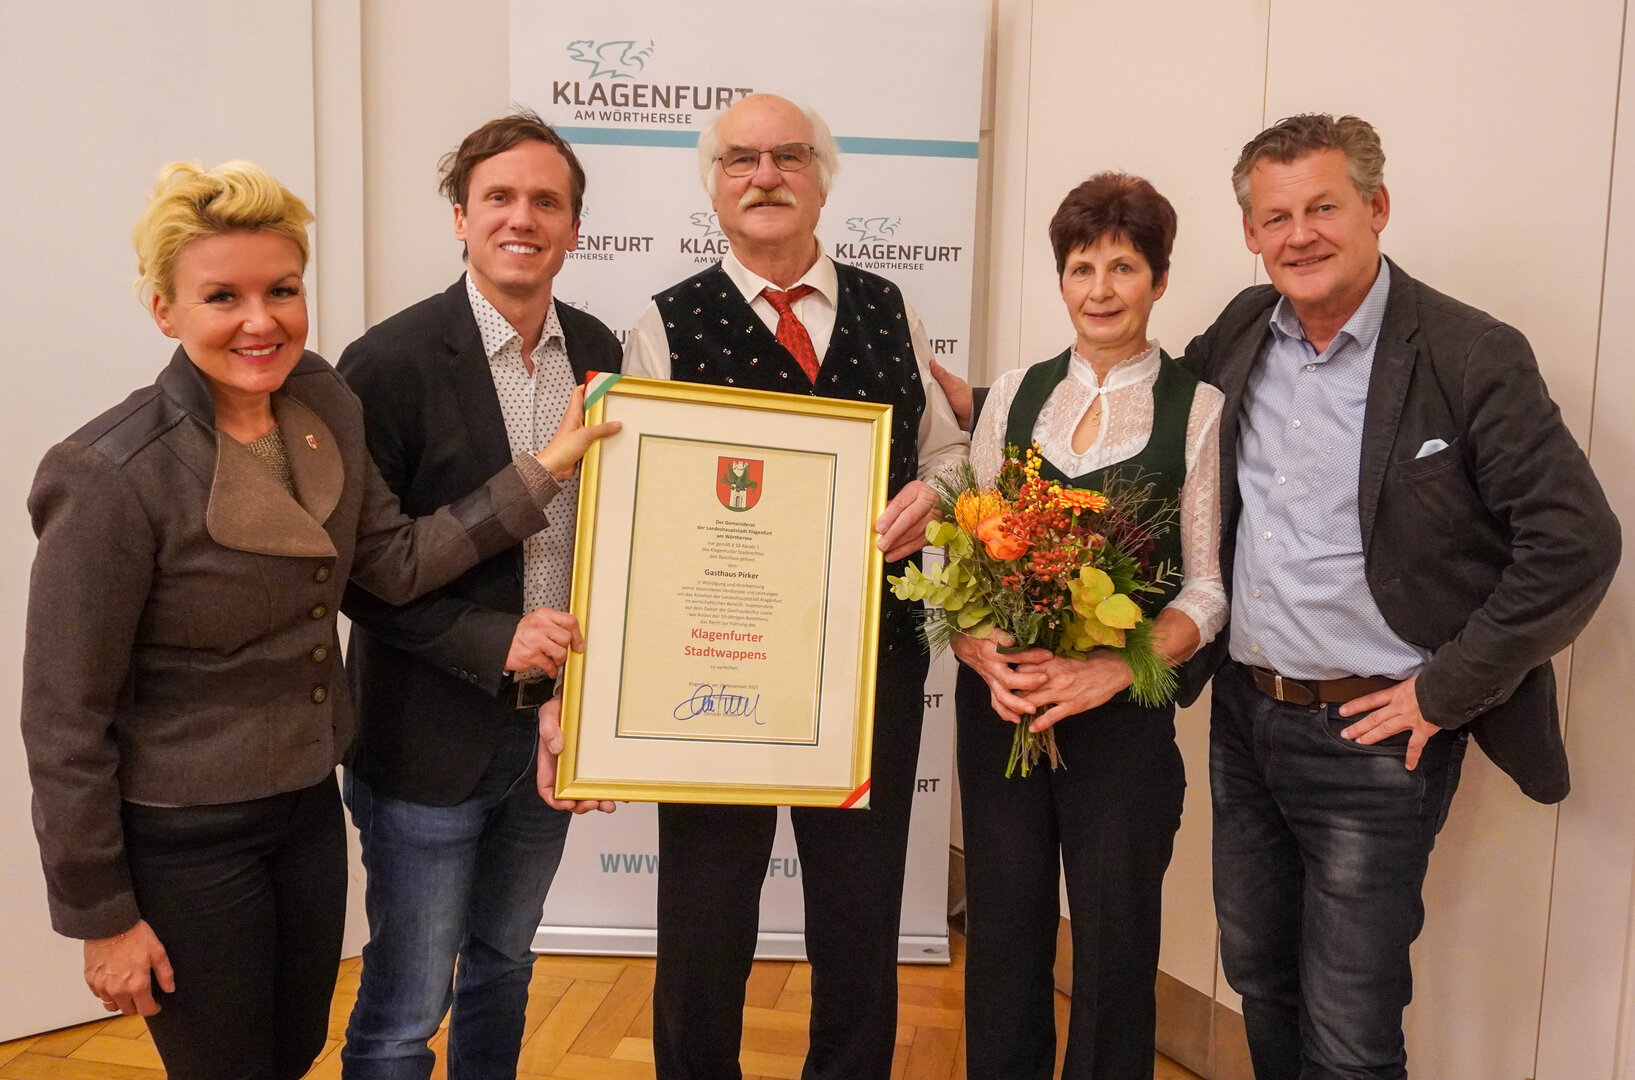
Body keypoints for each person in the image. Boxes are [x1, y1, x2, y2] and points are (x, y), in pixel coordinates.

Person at [20, 160, 614, 1080]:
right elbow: (63, 720)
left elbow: (395, 563)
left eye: (282, 290)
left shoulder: (325, 402)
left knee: (294, 1048)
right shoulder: (107, 472)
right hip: (182, 829)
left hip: (301, 804)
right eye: (223, 295)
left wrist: (545, 469)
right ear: (165, 311)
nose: (261, 321)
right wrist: (100, 917)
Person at [1182, 114, 1619, 1079]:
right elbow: (1148, 432)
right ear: (1250, 235)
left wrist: (1440, 691)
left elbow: (1576, 543)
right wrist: (993, 412)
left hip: (1372, 743)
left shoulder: (1468, 353)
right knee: (1259, 978)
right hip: (1242, 716)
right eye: (1275, 216)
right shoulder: (1240, 330)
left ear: (1375, 208)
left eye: (1323, 207)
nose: (1299, 234)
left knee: (1347, 1028)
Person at [622, 92, 968, 1080]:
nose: (765, 176)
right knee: (704, 916)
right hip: (716, 667)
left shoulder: (890, 306)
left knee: (860, 918)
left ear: (822, 176)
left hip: (871, 667)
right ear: (714, 183)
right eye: (741, 160)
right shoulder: (663, 324)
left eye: (787, 157)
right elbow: (642, 504)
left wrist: (930, 502)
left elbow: (946, 458)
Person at [336, 111, 621, 1080]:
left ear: (576, 229)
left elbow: (618, 546)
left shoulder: (604, 359)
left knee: (505, 966)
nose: (522, 218)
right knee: (407, 1006)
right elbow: (366, 576)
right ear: (459, 217)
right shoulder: (386, 365)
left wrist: (590, 702)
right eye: (498, 197)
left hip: (549, 735)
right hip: (425, 739)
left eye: (547, 201)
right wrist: (494, 641)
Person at [951, 173, 1225, 1080]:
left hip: (1121, 719)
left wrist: (1118, 665)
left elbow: (1209, 588)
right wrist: (976, 650)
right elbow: (963, 556)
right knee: (1001, 929)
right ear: (1060, 278)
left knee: (1112, 945)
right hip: (1003, 709)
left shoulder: (1198, 409)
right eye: (1080, 267)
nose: (1099, 289)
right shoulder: (1015, 395)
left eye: (1122, 266)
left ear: (1159, 278)